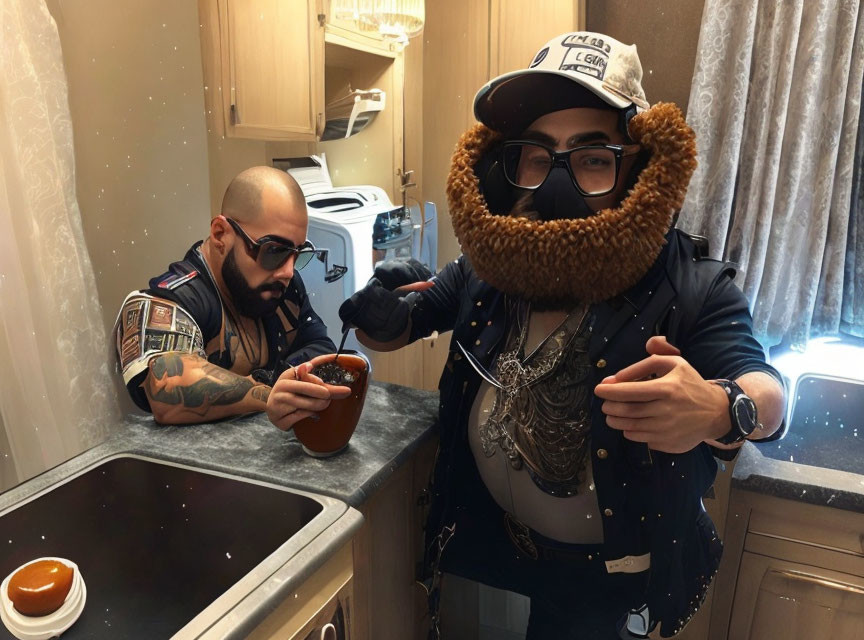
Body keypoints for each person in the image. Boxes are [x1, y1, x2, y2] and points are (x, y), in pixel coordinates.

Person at [339, 32, 787, 639]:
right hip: (488, 541)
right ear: (512, 164)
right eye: (537, 154)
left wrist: (720, 408)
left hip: (605, 577)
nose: (557, 182)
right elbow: (398, 330)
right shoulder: (489, 271)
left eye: (592, 157)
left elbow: (768, 395)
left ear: (635, 168)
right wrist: (378, 305)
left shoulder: (690, 288)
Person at [114, 166, 349, 426]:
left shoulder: (281, 285)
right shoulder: (171, 300)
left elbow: (319, 347)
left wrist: (281, 379)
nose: (288, 271)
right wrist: (272, 394)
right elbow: (168, 388)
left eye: (297, 253)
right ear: (220, 234)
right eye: (274, 251)